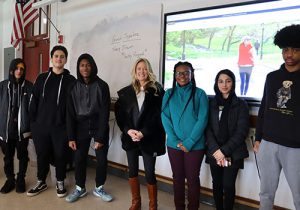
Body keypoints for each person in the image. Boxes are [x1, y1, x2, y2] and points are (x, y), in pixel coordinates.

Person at [254, 24, 300, 210]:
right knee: (265, 193)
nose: (289, 55)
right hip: (268, 143)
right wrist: (258, 138)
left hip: (296, 147)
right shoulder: (272, 77)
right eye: (285, 49)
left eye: (296, 50)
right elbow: (264, 108)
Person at [115, 58, 165, 210]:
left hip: (149, 138)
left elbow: (158, 117)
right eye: (139, 69)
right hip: (131, 138)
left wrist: (143, 133)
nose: (141, 71)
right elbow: (121, 115)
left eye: (144, 69)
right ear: (135, 72)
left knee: (150, 172)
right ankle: (136, 202)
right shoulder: (127, 92)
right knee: (132, 170)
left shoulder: (157, 91)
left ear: (148, 70)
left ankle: (152, 205)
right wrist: (128, 131)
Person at [27, 45, 76, 197]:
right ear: (51, 58)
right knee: (42, 155)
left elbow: (73, 107)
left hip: (61, 128)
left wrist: (70, 130)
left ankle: (60, 182)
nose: (59, 59)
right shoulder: (42, 78)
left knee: (60, 155)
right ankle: (41, 181)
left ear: (66, 59)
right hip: (41, 127)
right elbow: (33, 102)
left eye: (62, 56)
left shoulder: (71, 80)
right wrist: (33, 125)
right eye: (56, 56)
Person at [65, 53, 113, 203]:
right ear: (78, 68)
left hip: (99, 125)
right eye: (82, 65)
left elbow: (105, 112)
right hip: (80, 126)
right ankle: (80, 188)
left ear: (93, 66)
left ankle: (99, 188)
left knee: (101, 159)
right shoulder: (72, 86)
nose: (85, 68)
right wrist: (71, 136)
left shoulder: (102, 85)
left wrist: (99, 137)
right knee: (79, 159)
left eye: (88, 65)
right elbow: (69, 113)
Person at [161, 61, 208, 210]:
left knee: (193, 179)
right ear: (174, 76)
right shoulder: (169, 93)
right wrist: (175, 140)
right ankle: (179, 207)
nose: (182, 76)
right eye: (179, 73)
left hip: (195, 145)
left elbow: (203, 119)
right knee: (178, 178)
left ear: (192, 74)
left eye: (186, 72)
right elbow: (165, 117)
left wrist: (189, 142)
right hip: (174, 145)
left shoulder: (200, 94)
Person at [206, 69, 249, 210]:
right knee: (217, 183)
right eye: (220, 81)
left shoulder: (241, 104)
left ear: (233, 83)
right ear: (216, 83)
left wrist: (223, 151)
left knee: (228, 185)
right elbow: (207, 129)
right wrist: (215, 150)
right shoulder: (210, 103)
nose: (224, 85)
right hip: (214, 151)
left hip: (233, 152)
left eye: (228, 81)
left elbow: (241, 132)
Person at [0, 58, 33, 193]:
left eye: (22, 69)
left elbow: (33, 108)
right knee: (7, 157)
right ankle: (10, 180)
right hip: (6, 129)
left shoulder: (29, 86)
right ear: (12, 70)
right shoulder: (2, 86)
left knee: (22, 156)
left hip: (22, 130)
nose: (19, 71)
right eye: (17, 68)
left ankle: (20, 179)